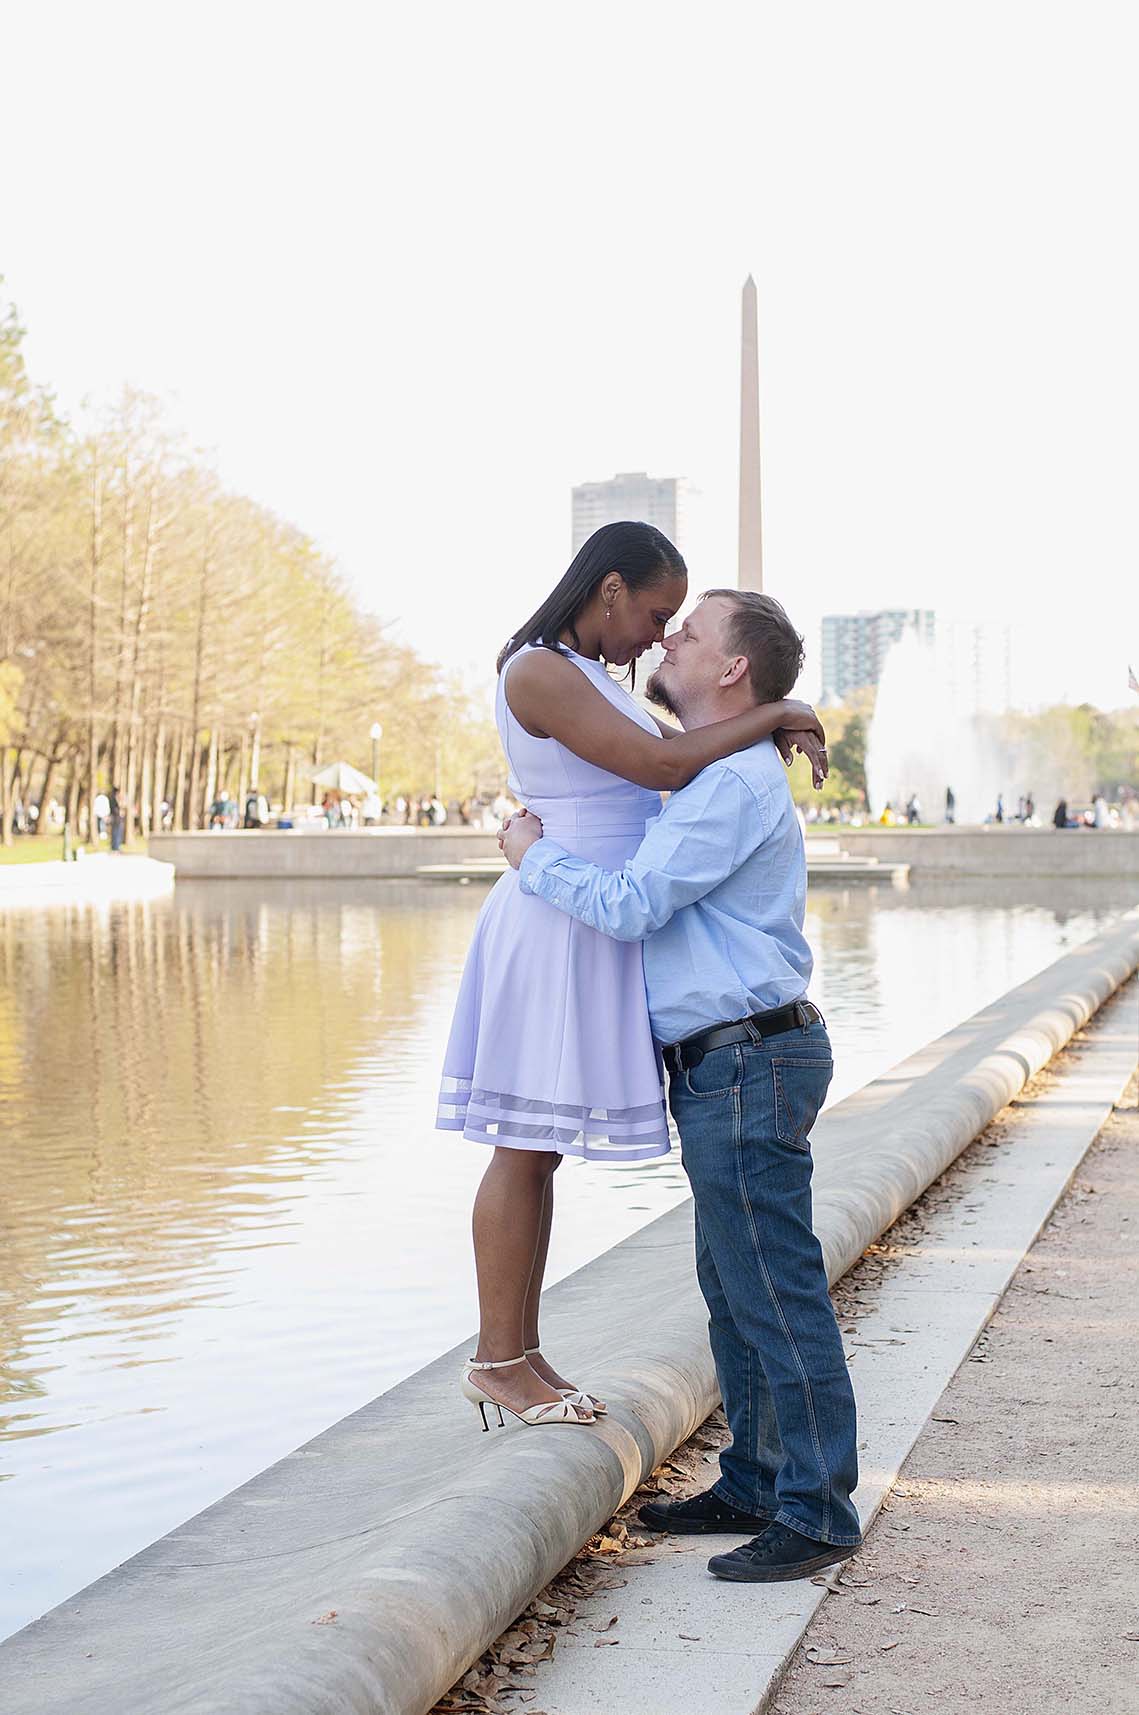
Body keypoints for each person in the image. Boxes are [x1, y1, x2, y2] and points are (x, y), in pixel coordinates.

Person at [501, 588, 860, 1583]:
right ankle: (754, 1476)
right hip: (729, 1059)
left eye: (690, 630)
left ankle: (816, 1507)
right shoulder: (713, 769)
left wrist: (531, 857)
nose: (668, 637)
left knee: (773, 1290)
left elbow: (629, 904)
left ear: (732, 669)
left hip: (748, 1057)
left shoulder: (729, 785)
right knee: (731, 1285)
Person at [436, 523, 826, 1435]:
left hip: (588, 914)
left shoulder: (590, 679)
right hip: (557, 916)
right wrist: (775, 713)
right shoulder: (537, 668)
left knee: (541, 1147)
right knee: (524, 1143)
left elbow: (669, 761)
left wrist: (764, 713)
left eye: (676, 627)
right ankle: (497, 1358)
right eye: (655, 614)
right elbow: (658, 765)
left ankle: (520, 1352)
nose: (658, 636)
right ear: (608, 589)